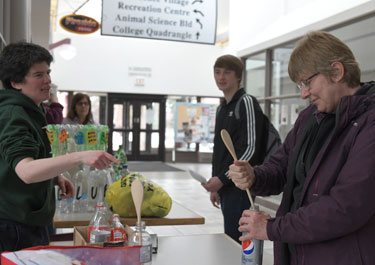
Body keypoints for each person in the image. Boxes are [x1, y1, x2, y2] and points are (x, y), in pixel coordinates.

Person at [229, 31, 375, 265]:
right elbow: (281, 166)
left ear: (337, 71)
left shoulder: (369, 123)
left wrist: (273, 228)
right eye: (300, 85)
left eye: (307, 82)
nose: (304, 93)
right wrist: (254, 175)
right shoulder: (310, 117)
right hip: (296, 254)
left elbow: (346, 207)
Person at [0, 41, 119, 254]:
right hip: (14, 224)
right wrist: (78, 156)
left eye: (48, 72)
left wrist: (55, 177)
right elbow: (26, 171)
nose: (48, 81)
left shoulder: (33, 111)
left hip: (31, 218)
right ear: (16, 82)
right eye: (38, 75)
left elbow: (23, 160)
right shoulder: (13, 115)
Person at [202, 55, 268, 243]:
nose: (221, 77)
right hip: (226, 186)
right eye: (217, 72)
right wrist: (216, 184)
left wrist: (222, 179)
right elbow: (220, 150)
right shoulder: (222, 108)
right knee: (231, 237)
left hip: (241, 188)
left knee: (242, 242)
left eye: (227, 72)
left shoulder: (246, 102)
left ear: (238, 76)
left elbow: (251, 149)